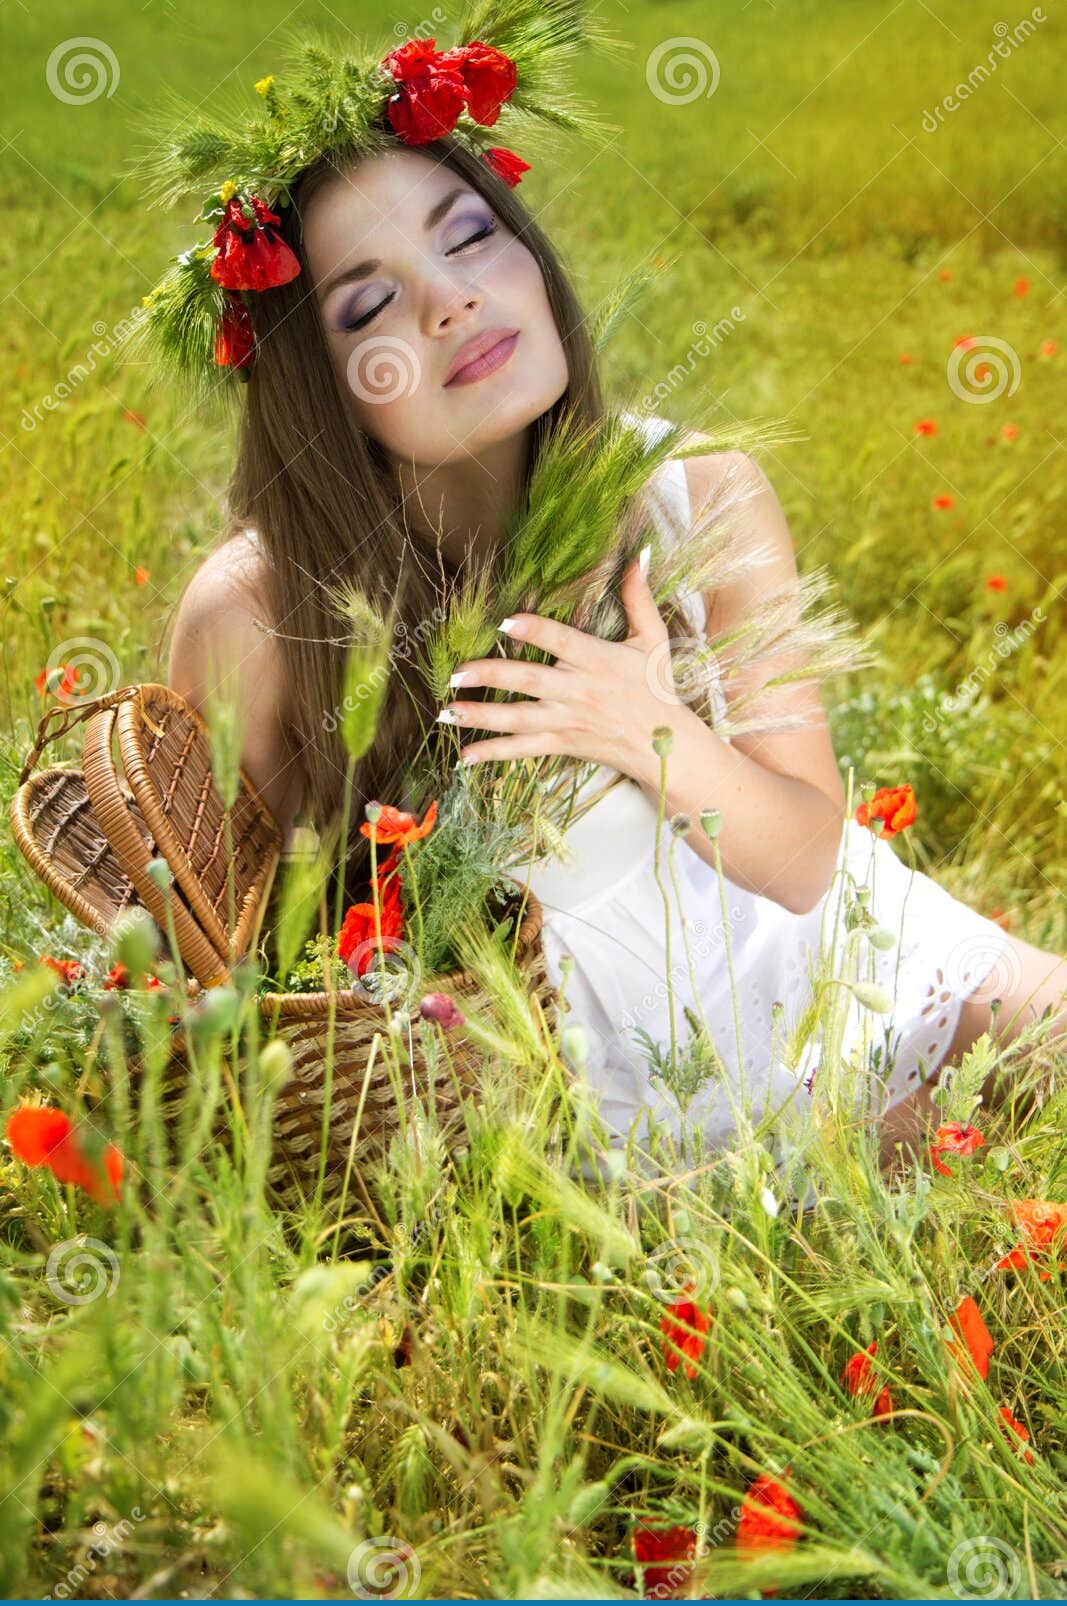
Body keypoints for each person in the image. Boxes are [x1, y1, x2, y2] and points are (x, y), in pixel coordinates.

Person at [156, 31, 1067, 1170]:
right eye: (369, 304)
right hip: (561, 1115)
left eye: (470, 238)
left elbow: (803, 860)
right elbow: (249, 970)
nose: (450, 303)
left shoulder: (698, 498)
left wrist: (646, 732)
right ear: (315, 387)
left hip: (842, 981)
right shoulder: (258, 614)